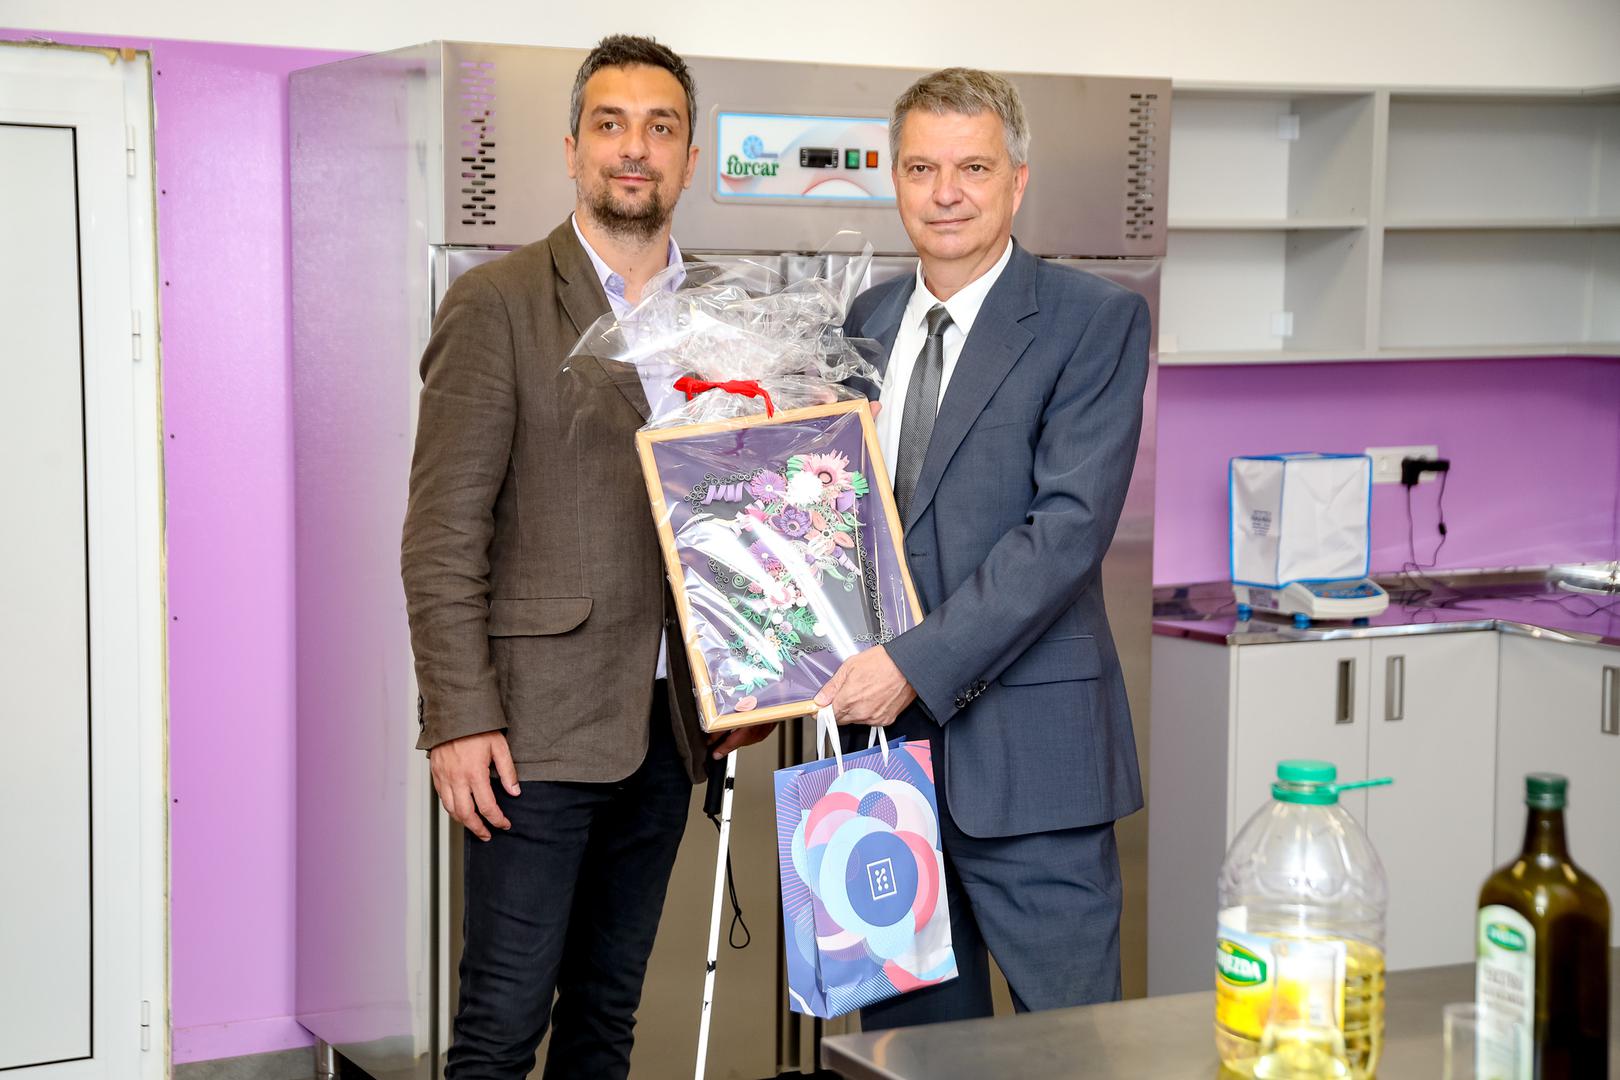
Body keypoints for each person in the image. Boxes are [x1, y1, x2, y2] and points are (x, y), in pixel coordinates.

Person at [402, 34, 721, 1079]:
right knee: (500, 1028)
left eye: (660, 128)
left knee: (606, 1017)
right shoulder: (496, 304)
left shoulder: (726, 312)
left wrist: (754, 677)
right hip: (529, 734)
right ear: (574, 148)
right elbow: (442, 535)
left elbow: (748, 517)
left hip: (672, 730)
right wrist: (459, 718)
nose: (635, 148)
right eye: (611, 124)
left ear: (689, 156)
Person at [816, 67, 1151, 1025]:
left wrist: (910, 667)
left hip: (1036, 769)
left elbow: (1065, 533)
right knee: (911, 1054)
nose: (946, 193)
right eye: (922, 168)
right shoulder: (867, 323)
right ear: (895, 178)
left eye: (973, 167)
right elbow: (841, 519)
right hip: (886, 778)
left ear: (1018, 180)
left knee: (1072, 1048)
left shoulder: (1093, 320)